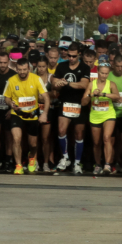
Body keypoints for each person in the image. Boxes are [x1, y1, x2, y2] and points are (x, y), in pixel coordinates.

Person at [3, 55, 50, 174]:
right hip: (17, 114)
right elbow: (6, 97)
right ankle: (18, 165)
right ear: (16, 69)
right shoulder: (11, 80)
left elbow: (46, 97)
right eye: (20, 70)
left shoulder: (36, 79)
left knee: (33, 144)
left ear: (28, 68)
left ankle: (32, 157)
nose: (22, 72)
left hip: (32, 115)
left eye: (24, 70)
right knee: (16, 138)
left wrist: (44, 113)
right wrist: (11, 104)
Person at [51, 42, 90, 175]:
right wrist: (58, 84)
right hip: (65, 102)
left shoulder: (84, 68)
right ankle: (65, 157)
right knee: (61, 130)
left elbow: (84, 85)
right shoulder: (61, 66)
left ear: (79, 54)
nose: (71, 59)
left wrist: (67, 83)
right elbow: (54, 84)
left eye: (74, 56)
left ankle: (77, 162)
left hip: (79, 104)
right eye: (69, 56)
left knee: (79, 134)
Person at [83, 62, 121, 175]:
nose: (104, 76)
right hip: (95, 115)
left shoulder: (111, 84)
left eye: (106, 73)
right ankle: (98, 164)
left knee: (106, 138)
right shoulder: (91, 84)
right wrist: (91, 95)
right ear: (98, 72)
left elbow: (117, 96)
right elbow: (83, 102)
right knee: (96, 142)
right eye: (102, 73)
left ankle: (107, 164)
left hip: (108, 114)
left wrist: (104, 95)